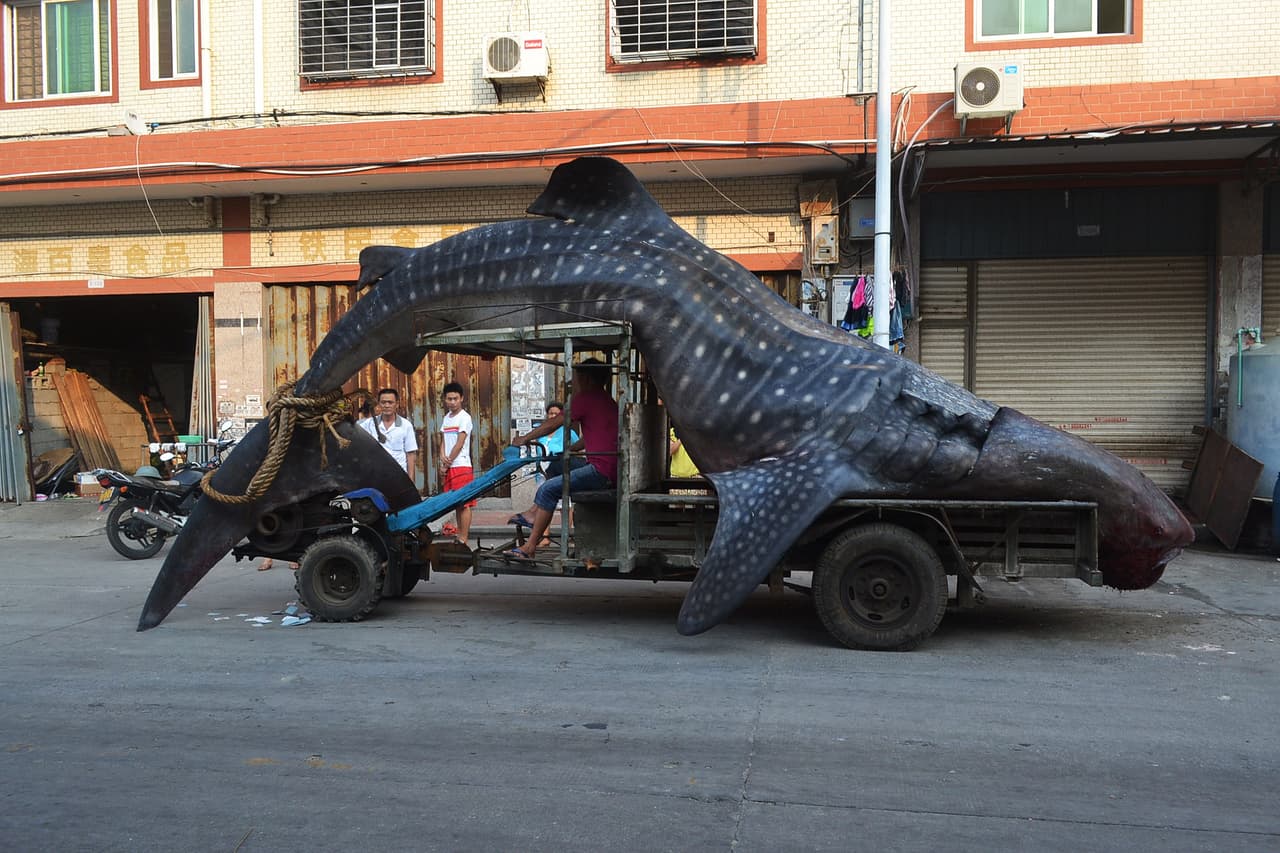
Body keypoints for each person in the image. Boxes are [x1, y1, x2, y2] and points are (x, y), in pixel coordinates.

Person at [509, 359, 618, 559]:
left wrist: (524, 438)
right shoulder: (606, 400)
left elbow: (554, 424)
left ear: (585, 378)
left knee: (548, 489)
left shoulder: (586, 398)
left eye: (575, 378)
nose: (573, 383)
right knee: (558, 464)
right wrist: (572, 448)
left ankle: (530, 546)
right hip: (610, 467)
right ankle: (534, 511)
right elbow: (597, 435)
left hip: (601, 471)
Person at [508, 401, 584, 540]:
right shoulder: (542, 433)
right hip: (543, 469)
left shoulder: (569, 432)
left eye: (556, 414)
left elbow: (579, 449)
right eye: (551, 414)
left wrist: (565, 454)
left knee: (563, 504)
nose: (553, 416)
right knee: (544, 500)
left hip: (560, 469)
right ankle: (544, 536)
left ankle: (566, 535)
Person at [438, 381, 475, 547]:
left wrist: (448, 461)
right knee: (456, 504)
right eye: (449, 399)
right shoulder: (446, 418)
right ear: (445, 400)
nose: (452, 402)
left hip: (461, 465)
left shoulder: (465, 418)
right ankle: (459, 535)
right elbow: (443, 441)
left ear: (462, 399)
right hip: (449, 465)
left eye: (455, 398)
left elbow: (459, 444)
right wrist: (442, 459)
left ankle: (464, 537)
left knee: (464, 504)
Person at [358, 388, 418, 483]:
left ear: (397, 404)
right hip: (375, 476)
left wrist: (411, 480)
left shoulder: (406, 425)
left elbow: (410, 454)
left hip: (399, 476)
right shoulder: (369, 424)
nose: (386, 405)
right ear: (379, 404)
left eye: (390, 402)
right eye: (383, 402)